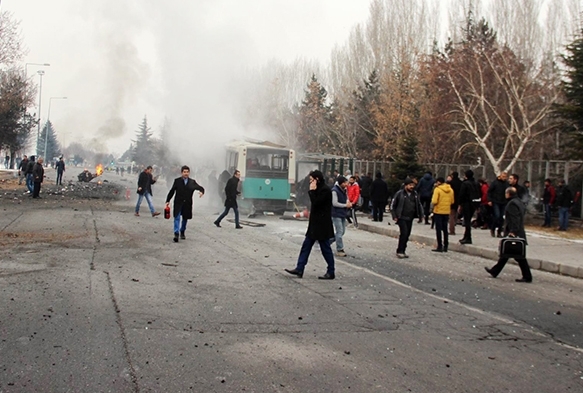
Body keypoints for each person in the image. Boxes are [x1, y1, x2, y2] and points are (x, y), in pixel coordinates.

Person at [284, 170, 336, 280]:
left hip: (322, 225)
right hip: (314, 225)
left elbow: (316, 202)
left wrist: (312, 191)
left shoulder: (325, 190)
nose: (310, 182)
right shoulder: (318, 189)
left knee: (325, 248)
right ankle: (300, 268)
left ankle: (331, 271)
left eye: (312, 180)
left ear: (317, 179)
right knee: (306, 246)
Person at [485, 187, 532, 283]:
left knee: (518, 256)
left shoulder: (512, 204)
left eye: (506, 193)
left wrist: (513, 231)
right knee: (506, 253)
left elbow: (515, 219)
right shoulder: (518, 202)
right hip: (518, 231)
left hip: (515, 232)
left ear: (508, 194)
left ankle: (527, 276)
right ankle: (495, 271)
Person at [165, 165, 205, 243]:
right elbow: (172, 191)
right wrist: (168, 200)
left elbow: (200, 188)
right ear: (181, 173)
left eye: (187, 172)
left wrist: (201, 192)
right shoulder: (177, 181)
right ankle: (176, 233)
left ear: (189, 173)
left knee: (185, 218)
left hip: (187, 203)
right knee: (177, 217)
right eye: (184, 172)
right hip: (178, 202)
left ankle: (182, 231)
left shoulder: (192, 182)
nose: (186, 173)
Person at [391, 178, 423, 258]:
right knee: (404, 233)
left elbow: (419, 205)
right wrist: (394, 215)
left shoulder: (415, 194)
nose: (412, 187)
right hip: (401, 217)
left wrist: (421, 215)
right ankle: (400, 251)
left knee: (407, 234)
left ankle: (403, 250)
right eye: (410, 185)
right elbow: (393, 205)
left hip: (410, 217)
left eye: (413, 185)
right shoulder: (399, 194)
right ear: (405, 186)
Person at [330, 176, 352, 257]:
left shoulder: (344, 191)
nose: (347, 184)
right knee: (339, 231)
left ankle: (327, 242)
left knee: (342, 232)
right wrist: (345, 205)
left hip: (342, 213)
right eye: (345, 183)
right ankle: (340, 249)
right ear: (341, 183)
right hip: (336, 214)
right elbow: (334, 203)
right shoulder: (334, 191)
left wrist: (348, 203)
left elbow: (346, 198)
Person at [431, 177, 454, 252]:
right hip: (446, 211)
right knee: (445, 229)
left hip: (438, 211)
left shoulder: (437, 189)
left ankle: (440, 246)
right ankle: (446, 246)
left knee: (438, 229)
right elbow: (452, 201)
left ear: (438, 182)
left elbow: (434, 201)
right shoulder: (450, 190)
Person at [458, 169, 480, 245]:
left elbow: (462, 195)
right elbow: (478, 193)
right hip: (474, 203)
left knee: (467, 221)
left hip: (466, 203)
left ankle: (468, 237)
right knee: (468, 220)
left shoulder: (465, 184)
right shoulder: (476, 183)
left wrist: (460, 204)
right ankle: (466, 236)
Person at [487, 171, 509, 238]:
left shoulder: (506, 184)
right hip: (496, 201)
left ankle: (499, 231)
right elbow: (489, 191)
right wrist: (489, 200)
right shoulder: (495, 183)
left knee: (501, 217)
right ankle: (493, 228)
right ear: (500, 176)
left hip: (503, 202)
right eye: (503, 176)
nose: (504, 178)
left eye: (505, 177)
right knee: (497, 216)